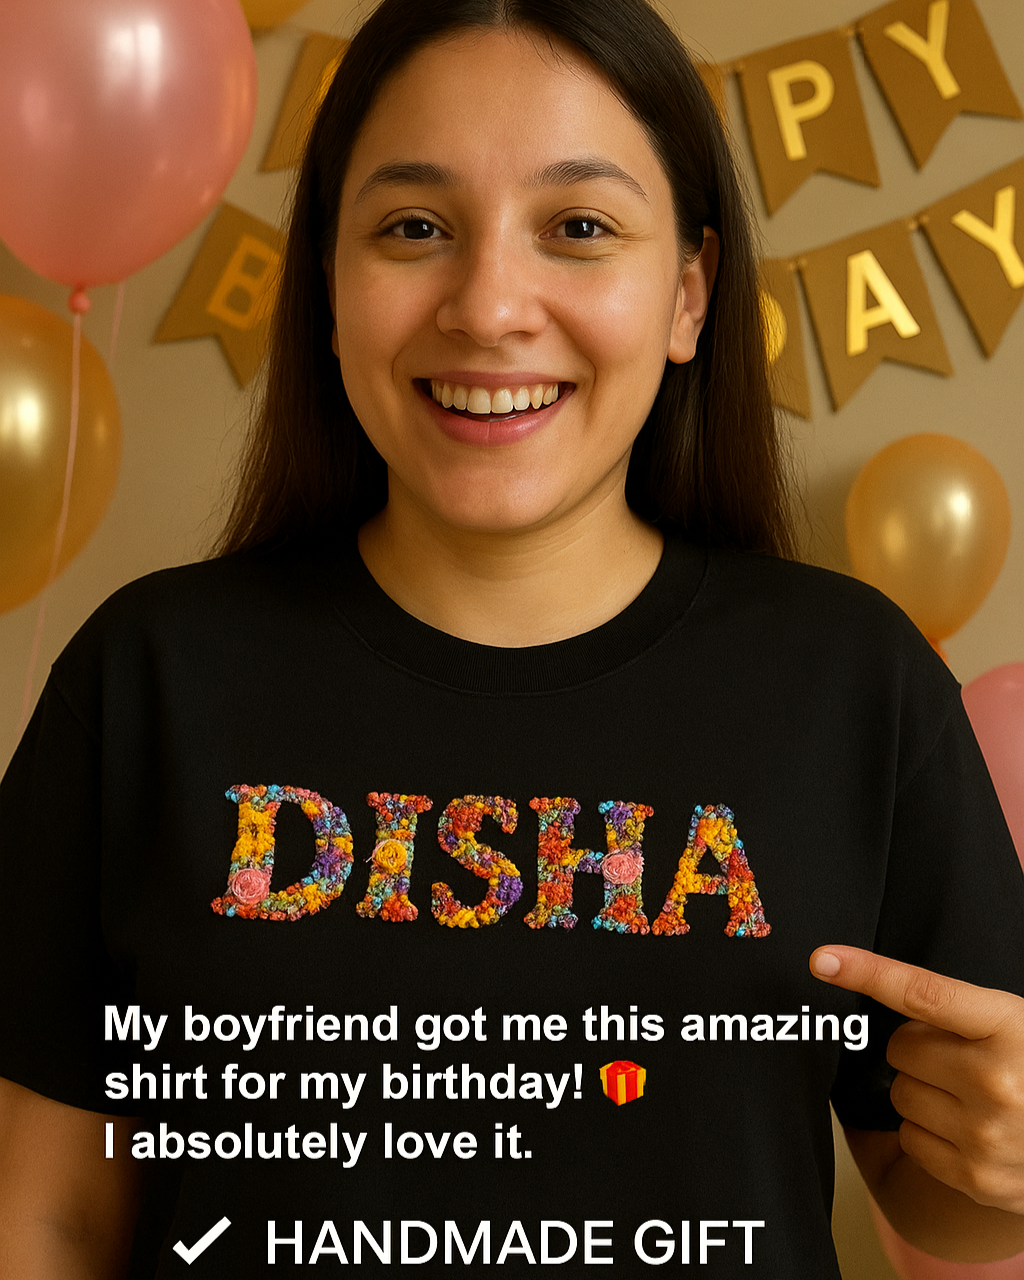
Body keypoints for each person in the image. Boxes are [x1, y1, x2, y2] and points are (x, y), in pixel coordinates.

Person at [1, 0, 1023, 1275]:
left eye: (578, 228)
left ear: (689, 295)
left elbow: (937, 1193)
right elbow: (46, 1222)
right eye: (413, 227)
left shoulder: (853, 684)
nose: (487, 307)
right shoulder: (147, 675)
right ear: (329, 279)